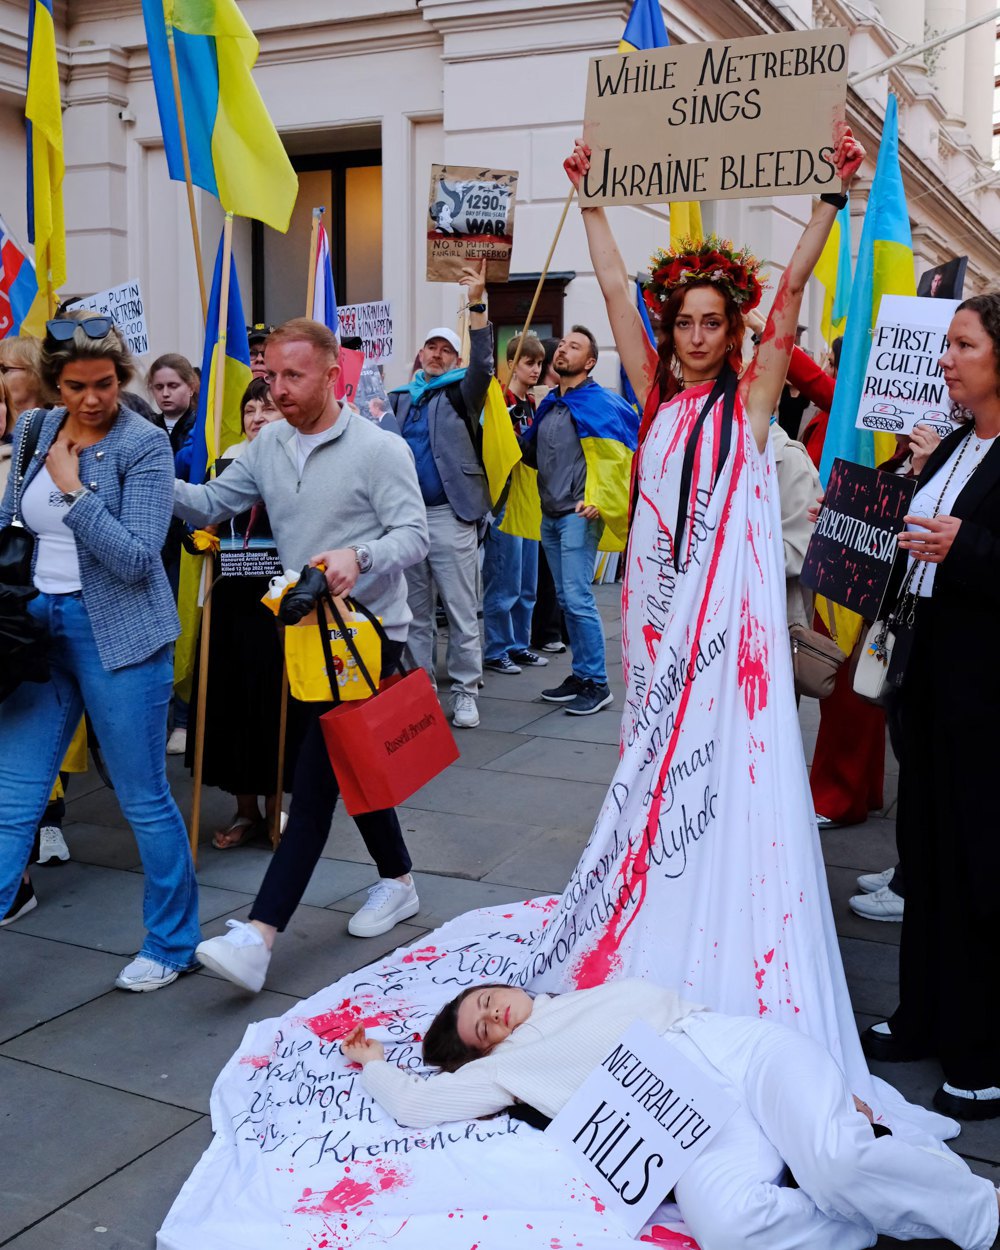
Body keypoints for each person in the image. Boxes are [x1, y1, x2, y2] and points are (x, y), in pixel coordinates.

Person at [518, 129, 893, 1091]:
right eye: (681, 321)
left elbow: (794, 300)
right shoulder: (651, 402)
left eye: (710, 322)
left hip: (729, 631)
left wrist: (827, 201)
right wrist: (593, 206)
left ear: (732, 333)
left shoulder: (750, 404)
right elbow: (609, 295)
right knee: (656, 771)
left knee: (722, 767)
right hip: (656, 620)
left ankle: (729, 913)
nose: (693, 336)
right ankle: (662, 904)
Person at [343, 978, 1000, 1250]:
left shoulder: (582, 989)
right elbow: (416, 1104)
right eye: (481, 1028)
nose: (492, 1015)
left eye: (486, 1000)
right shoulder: (502, 1072)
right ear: (481, 1052)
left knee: (837, 1157)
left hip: (735, 1051)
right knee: (729, 1226)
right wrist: (373, 1062)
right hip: (681, 1120)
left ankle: (983, 1216)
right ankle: (858, 1205)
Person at [172, 318, 429, 993]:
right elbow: (206, 506)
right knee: (350, 762)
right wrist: (143, 469)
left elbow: (414, 535)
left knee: (312, 782)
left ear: (330, 375)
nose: (278, 389)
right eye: (272, 377)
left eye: (294, 376)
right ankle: (399, 881)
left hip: (370, 636)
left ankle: (260, 934)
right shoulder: (265, 448)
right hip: (307, 636)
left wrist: (357, 556)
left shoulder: (378, 448)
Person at [0, 312, 201, 988]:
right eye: (78, 385)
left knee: (143, 798)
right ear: (55, 383)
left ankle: (171, 943)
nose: (92, 399)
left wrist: (74, 489)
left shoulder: (144, 445)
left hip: (120, 636)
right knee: (12, 798)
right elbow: (10, 524)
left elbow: (139, 558)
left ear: (122, 378)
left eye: (106, 384)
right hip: (35, 630)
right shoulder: (33, 428)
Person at [862, 294, 1000, 1120]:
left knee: (981, 868)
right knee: (927, 853)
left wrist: (971, 547)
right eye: (946, 344)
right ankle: (921, 1016)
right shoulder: (952, 442)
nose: (945, 359)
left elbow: (974, 549)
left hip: (987, 701)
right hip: (925, 685)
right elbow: (897, 528)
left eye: (963, 344)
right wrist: (910, 473)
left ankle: (982, 1054)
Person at [184, 377, 294, 849]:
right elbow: (206, 518)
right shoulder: (224, 462)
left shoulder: (294, 461)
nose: (257, 417)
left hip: (279, 601)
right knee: (233, 707)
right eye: (250, 409)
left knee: (273, 706)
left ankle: (277, 811)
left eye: (266, 408)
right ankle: (244, 811)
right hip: (231, 601)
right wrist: (200, 538)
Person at [389, 263, 493, 729]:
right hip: (406, 521)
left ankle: (466, 691)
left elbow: (485, 364)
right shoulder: (397, 399)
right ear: (419, 355)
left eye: (446, 349)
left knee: (460, 609)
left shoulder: (463, 392)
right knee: (413, 614)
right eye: (431, 347)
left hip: (452, 516)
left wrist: (477, 304)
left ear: (455, 359)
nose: (437, 354)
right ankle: (422, 689)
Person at [521, 325, 638, 716]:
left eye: (574, 347)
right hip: (550, 514)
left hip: (577, 514)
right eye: (563, 345)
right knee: (566, 600)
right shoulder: (551, 403)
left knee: (577, 598)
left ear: (589, 362)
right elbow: (531, 454)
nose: (563, 350)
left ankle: (598, 684)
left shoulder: (602, 402)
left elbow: (623, 457)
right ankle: (581, 674)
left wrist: (600, 499)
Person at [482, 332, 548, 675]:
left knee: (526, 582)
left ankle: (519, 644)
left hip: (530, 498)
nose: (535, 369)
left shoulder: (534, 403)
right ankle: (497, 648)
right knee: (503, 578)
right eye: (528, 362)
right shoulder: (499, 400)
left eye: (538, 363)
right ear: (512, 365)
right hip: (506, 498)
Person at [148, 352, 200, 756]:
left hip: (186, 542)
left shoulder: (201, 427)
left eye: (173, 386)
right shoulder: (145, 425)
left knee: (185, 628)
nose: (166, 394)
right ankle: (161, 717)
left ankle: (182, 719)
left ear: (191, 386)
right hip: (152, 541)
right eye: (159, 387)